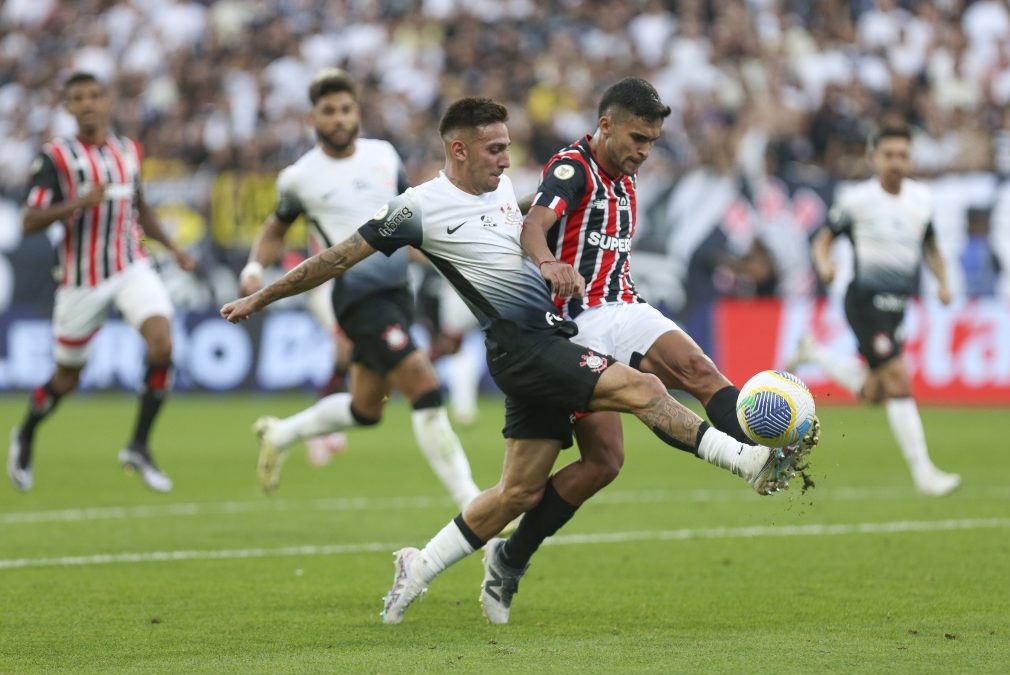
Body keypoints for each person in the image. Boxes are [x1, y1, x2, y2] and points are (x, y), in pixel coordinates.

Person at [220, 97, 819, 625]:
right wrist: (261, 295)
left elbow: (536, 226)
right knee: (642, 387)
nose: (507, 160)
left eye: (507, 148)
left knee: (515, 494)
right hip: (525, 345)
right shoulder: (417, 208)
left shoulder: (502, 186)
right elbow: (335, 258)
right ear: (459, 150)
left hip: (544, 342)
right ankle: (749, 461)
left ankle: (419, 564)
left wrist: (554, 262)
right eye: (495, 149)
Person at [479, 77, 784, 624]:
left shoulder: (625, 177)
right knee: (602, 463)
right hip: (576, 327)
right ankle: (510, 557)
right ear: (606, 126)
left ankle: (765, 452)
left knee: (697, 367)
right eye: (637, 138)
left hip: (623, 305)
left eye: (652, 141)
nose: (644, 151)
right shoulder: (573, 168)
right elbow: (536, 225)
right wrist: (548, 263)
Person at [237, 69, 481, 509]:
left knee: (366, 408)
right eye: (328, 111)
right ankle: (471, 500)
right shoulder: (299, 176)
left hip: (396, 291)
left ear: (357, 113)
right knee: (424, 385)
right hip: (353, 293)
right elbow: (275, 228)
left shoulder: (384, 156)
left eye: (345, 109)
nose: (339, 119)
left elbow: (414, 215)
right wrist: (255, 266)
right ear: (312, 118)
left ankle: (282, 433)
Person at [8, 71, 196, 493]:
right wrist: (78, 202)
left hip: (131, 265)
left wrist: (173, 248)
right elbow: (30, 219)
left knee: (163, 342)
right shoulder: (55, 158)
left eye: (95, 95)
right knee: (65, 380)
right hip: (81, 281)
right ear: (69, 108)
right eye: (79, 98)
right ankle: (26, 432)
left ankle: (139, 446)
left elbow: (140, 206)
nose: (88, 103)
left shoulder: (127, 150)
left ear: (108, 101)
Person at [790, 124, 959, 497]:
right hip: (864, 300)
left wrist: (944, 281)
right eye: (889, 155)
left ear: (910, 158)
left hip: (899, 306)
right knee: (899, 379)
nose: (896, 162)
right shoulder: (857, 200)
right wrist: (825, 265)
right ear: (874, 158)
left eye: (902, 155)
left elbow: (932, 248)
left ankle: (814, 351)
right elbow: (824, 240)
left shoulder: (921, 200)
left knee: (875, 392)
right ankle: (924, 474)